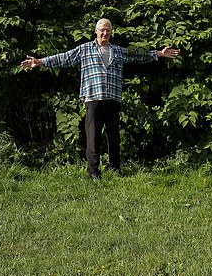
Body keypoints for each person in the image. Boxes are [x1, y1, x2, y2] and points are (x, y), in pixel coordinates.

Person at [21, 18, 180, 180]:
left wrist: (160, 53)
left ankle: (115, 169)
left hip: (112, 98)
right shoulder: (84, 49)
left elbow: (138, 57)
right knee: (93, 137)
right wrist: (40, 61)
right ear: (95, 31)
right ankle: (93, 172)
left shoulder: (118, 51)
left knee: (114, 137)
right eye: (102, 30)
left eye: (108, 30)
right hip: (93, 98)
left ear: (111, 32)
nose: (105, 33)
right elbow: (64, 58)